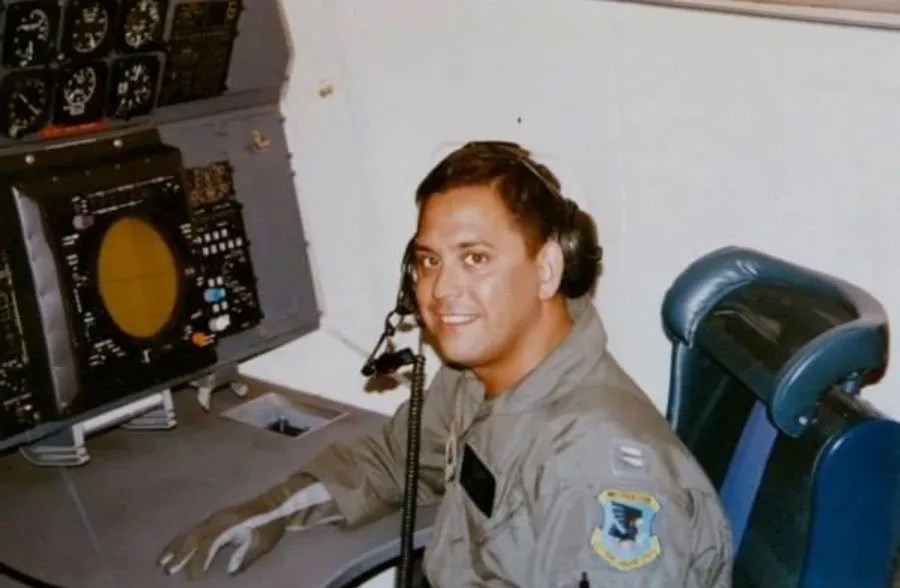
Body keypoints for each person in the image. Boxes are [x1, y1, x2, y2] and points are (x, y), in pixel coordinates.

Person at [157, 141, 732, 586]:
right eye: (429, 261)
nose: (440, 290)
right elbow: (396, 461)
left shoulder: (594, 473)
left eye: (475, 258)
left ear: (549, 269)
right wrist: (272, 510)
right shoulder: (480, 378)